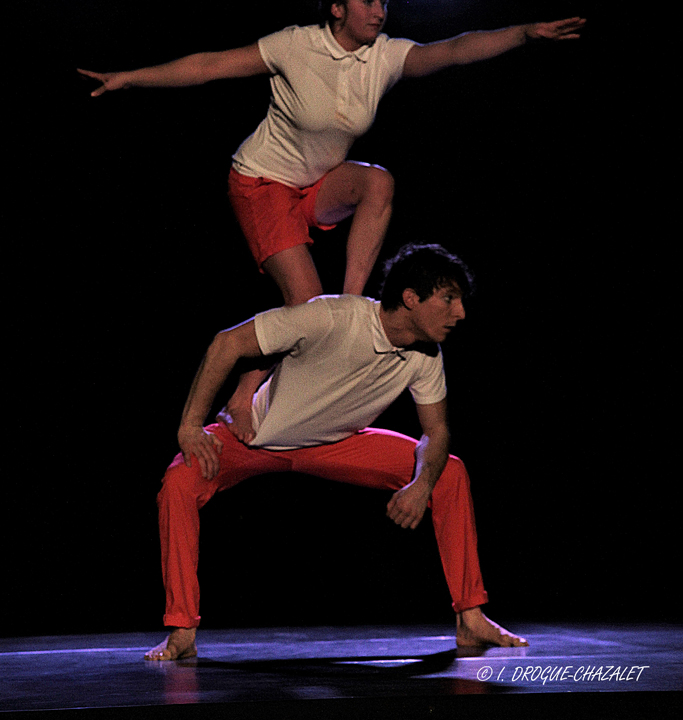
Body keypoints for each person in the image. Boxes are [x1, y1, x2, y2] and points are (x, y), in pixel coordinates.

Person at [78, 0, 584, 440]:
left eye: (384, 2)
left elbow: (452, 50)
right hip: (262, 184)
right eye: (368, 2)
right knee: (304, 309)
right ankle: (245, 392)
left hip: (316, 184)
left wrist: (522, 33)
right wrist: (131, 78)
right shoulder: (296, 46)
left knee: (377, 183)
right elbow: (209, 66)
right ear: (337, 8)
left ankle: (349, 302)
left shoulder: (383, 56)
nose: (380, 12)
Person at [144, 243, 529, 661]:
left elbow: (436, 433)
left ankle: (470, 618)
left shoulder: (427, 355)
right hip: (256, 438)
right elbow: (226, 344)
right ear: (411, 298)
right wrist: (189, 426)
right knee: (179, 482)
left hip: (337, 443)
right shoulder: (334, 316)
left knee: (447, 473)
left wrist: (421, 485)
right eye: (449, 300)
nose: (461, 314)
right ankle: (182, 629)